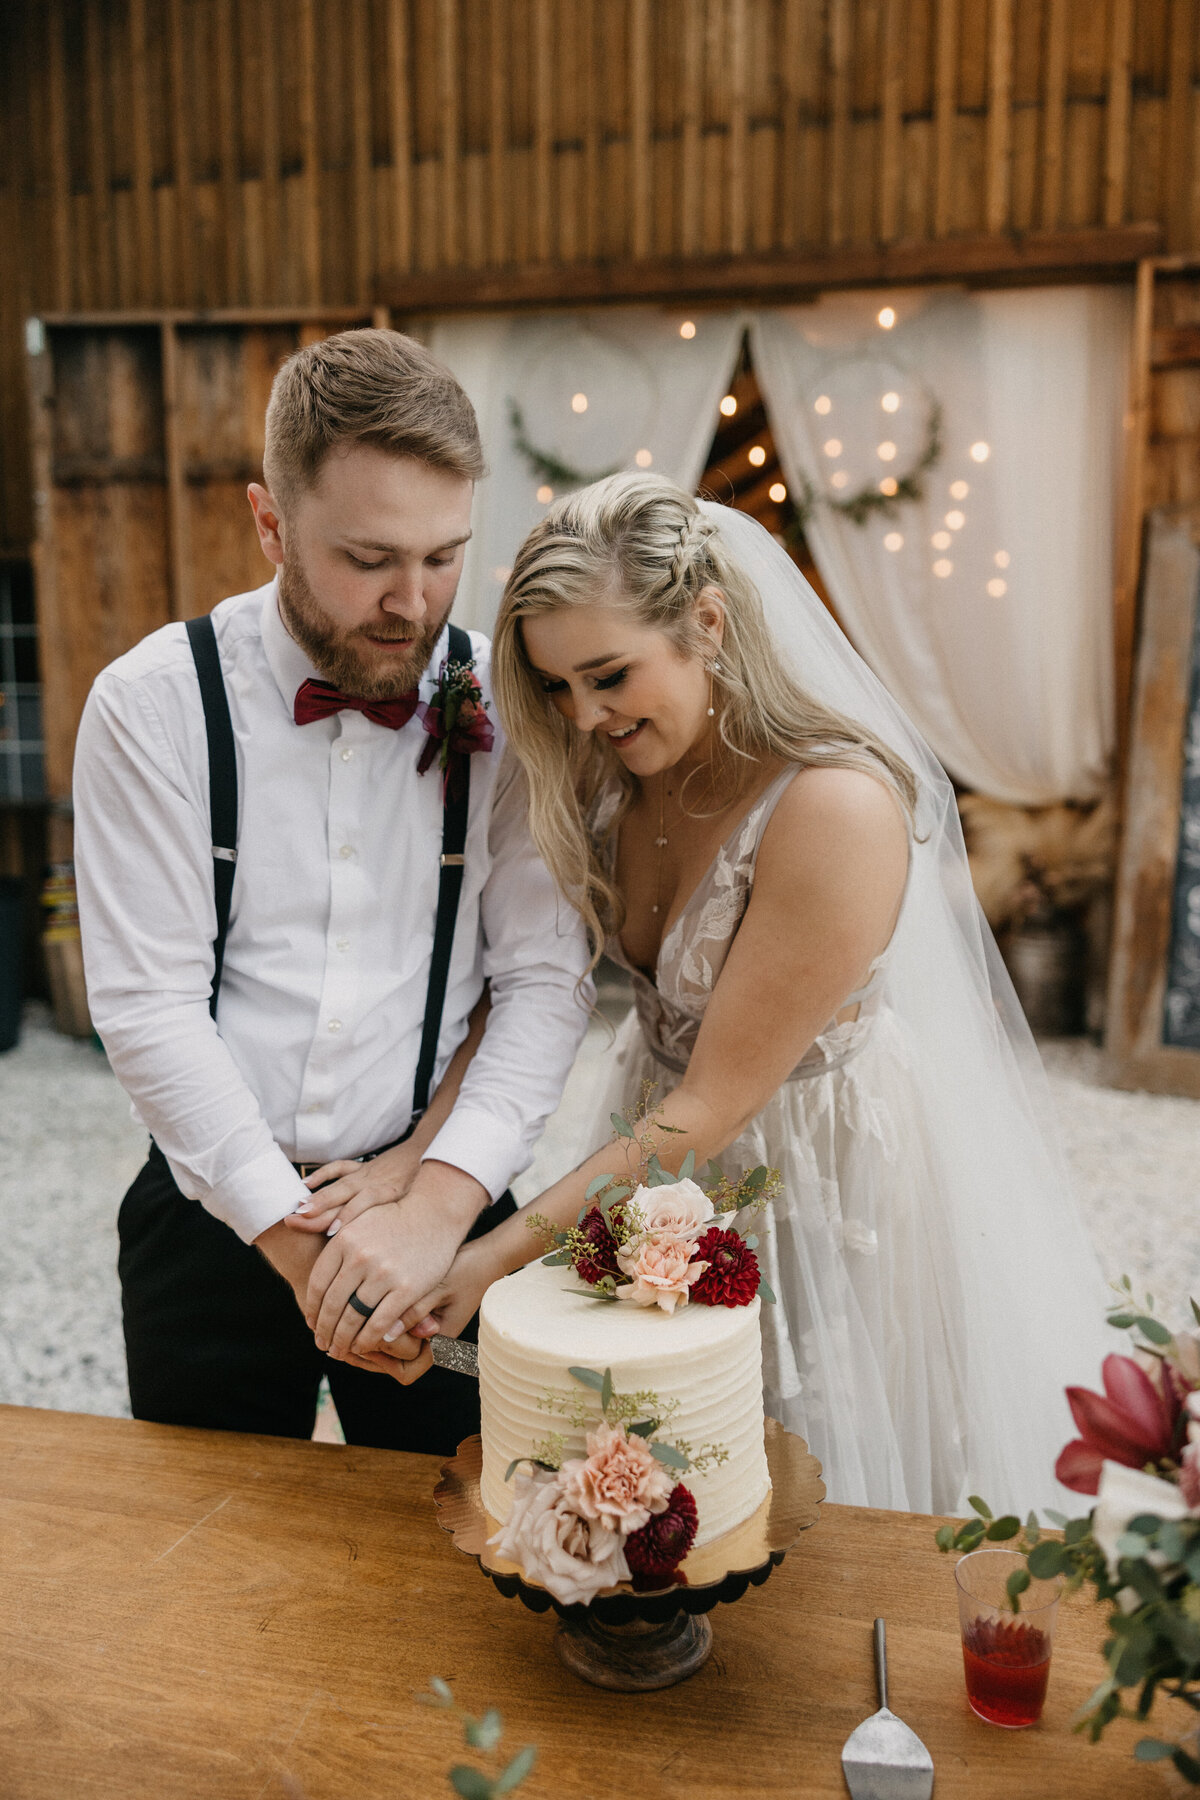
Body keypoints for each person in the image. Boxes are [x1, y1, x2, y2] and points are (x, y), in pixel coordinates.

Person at [301, 470, 1112, 1513]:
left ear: (709, 623)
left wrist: (497, 1260)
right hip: (654, 1146)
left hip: (814, 1166)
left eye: (608, 674)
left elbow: (716, 1103)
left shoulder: (832, 809)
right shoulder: (613, 778)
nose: (585, 715)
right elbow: (524, 990)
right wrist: (414, 1169)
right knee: (655, 1463)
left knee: (805, 1479)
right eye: (555, 687)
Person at [73, 328, 591, 1454]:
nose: (415, 602)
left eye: (445, 555)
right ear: (270, 522)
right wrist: (315, 1262)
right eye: (370, 560)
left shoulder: (510, 703)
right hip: (213, 1217)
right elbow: (149, 1010)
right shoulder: (150, 707)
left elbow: (546, 979)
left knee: (460, 1557)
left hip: (443, 1203)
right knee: (213, 1561)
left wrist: (438, 1207)